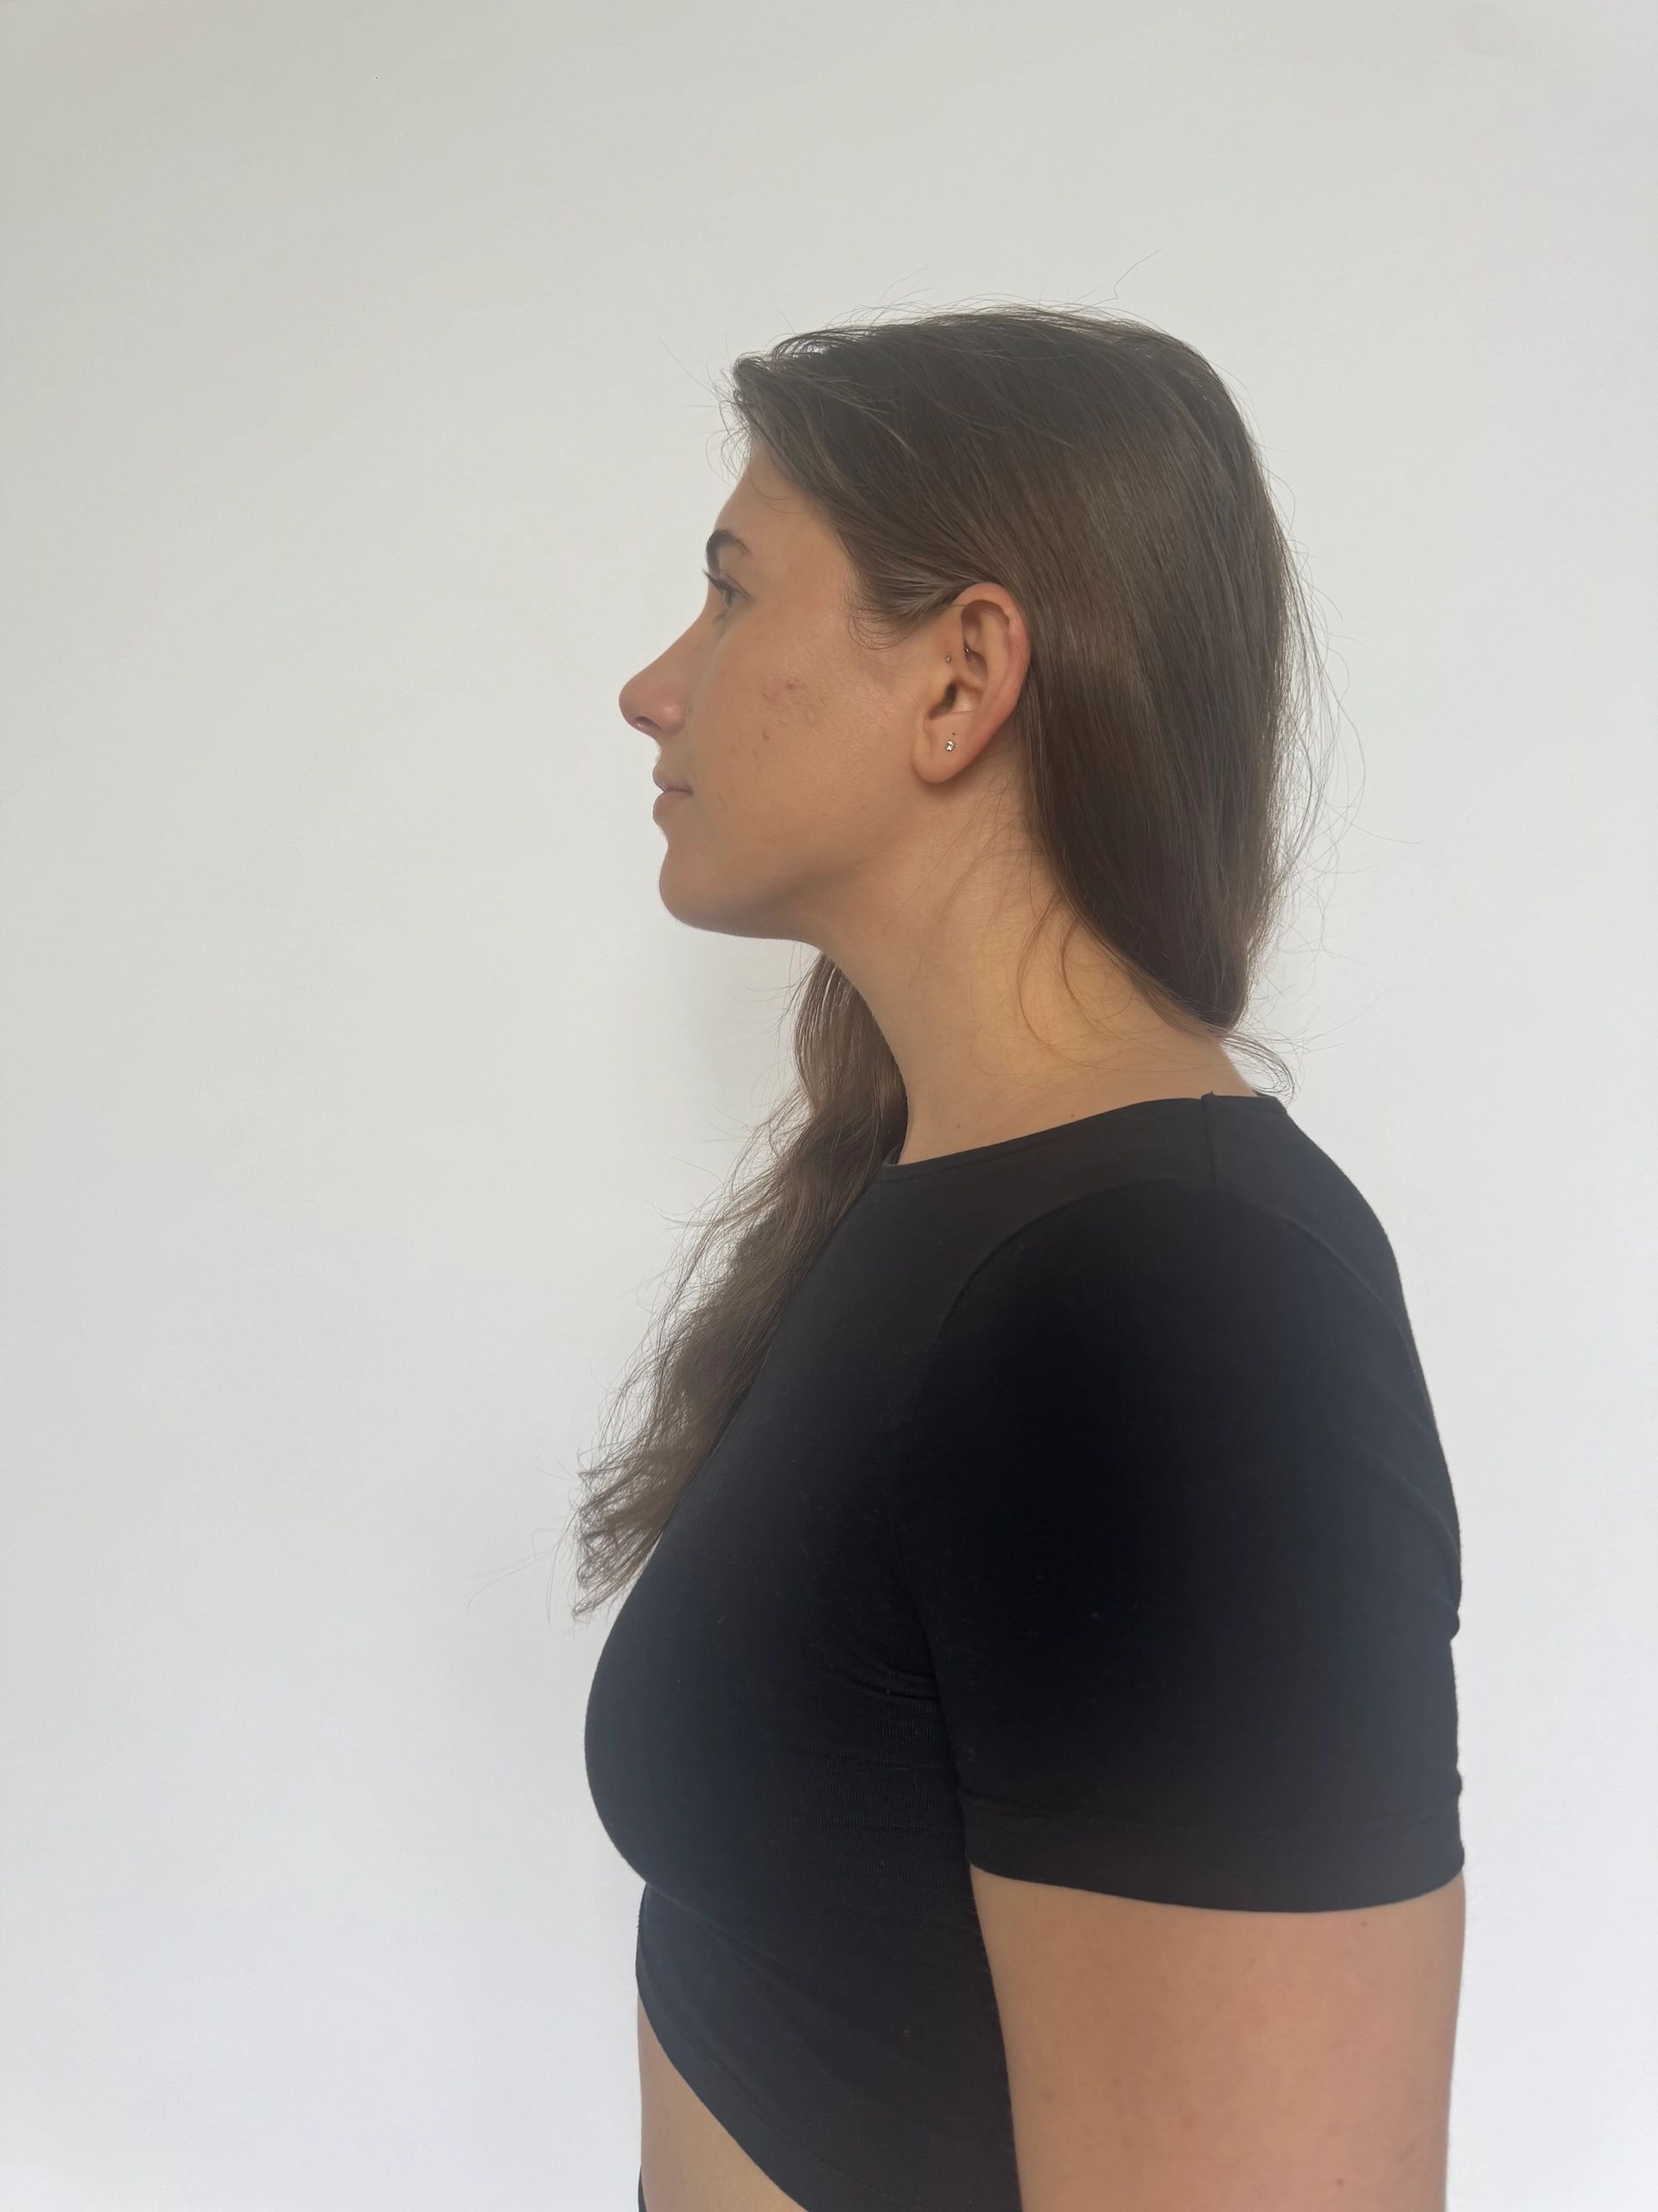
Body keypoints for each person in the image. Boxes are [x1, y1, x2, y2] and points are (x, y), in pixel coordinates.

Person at [581, 304, 1465, 2212]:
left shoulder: (1172, 1314)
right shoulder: (949, 1214)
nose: (654, 688)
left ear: (964, 675)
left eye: (730, 594)